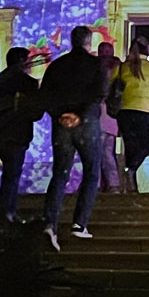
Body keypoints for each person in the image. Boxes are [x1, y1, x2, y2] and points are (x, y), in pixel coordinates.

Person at [39, 24, 106, 249]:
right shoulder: (96, 64)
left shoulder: (57, 66)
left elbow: (45, 94)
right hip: (86, 122)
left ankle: (50, 223)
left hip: (61, 124)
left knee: (60, 173)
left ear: (71, 40)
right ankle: (79, 223)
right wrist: (79, 114)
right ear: (89, 42)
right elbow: (100, 92)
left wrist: (60, 115)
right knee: (91, 171)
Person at [0, 46, 41, 222]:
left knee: (1, 175)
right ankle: (6, 212)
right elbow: (36, 112)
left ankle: (4, 211)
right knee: (11, 177)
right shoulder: (28, 83)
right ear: (22, 61)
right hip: (17, 135)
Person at [114, 36, 149, 196]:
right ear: (147, 50)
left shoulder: (122, 67)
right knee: (144, 147)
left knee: (130, 147)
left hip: (124, 113)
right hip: (144, 112)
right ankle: (131, 172)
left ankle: (131, 181)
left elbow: (109, 86)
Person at [96, 40, 122, 192]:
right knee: (107, 150)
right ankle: (112, 183)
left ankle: (102, 183)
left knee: (101, 150)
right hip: (112, 113)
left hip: (101, 112)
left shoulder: (95, 67)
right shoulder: (118, 67)